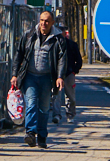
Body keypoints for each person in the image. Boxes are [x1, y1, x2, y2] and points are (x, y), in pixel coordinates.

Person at [11, 9, 68, 148]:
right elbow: (19, 54)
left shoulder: (58, 39)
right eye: (42, 20)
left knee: (44, 107)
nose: (44, 23)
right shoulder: (30, 35)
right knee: (31, 103)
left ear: (52, 23)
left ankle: (42, 135)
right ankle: (30, 133)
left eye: (47, 21)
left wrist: (60, 76)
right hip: (30, 76)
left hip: (47, 77)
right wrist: (15, 74)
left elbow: (62, 59)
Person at [58, 25, 85, 120]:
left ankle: (70, 114)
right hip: (56, 74)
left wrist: (74, 71)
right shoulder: (53, 44)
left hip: (69, 73)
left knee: (70, 96)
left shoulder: (72, 45)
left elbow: (79, 60)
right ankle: (56, 115)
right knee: (55, 96)